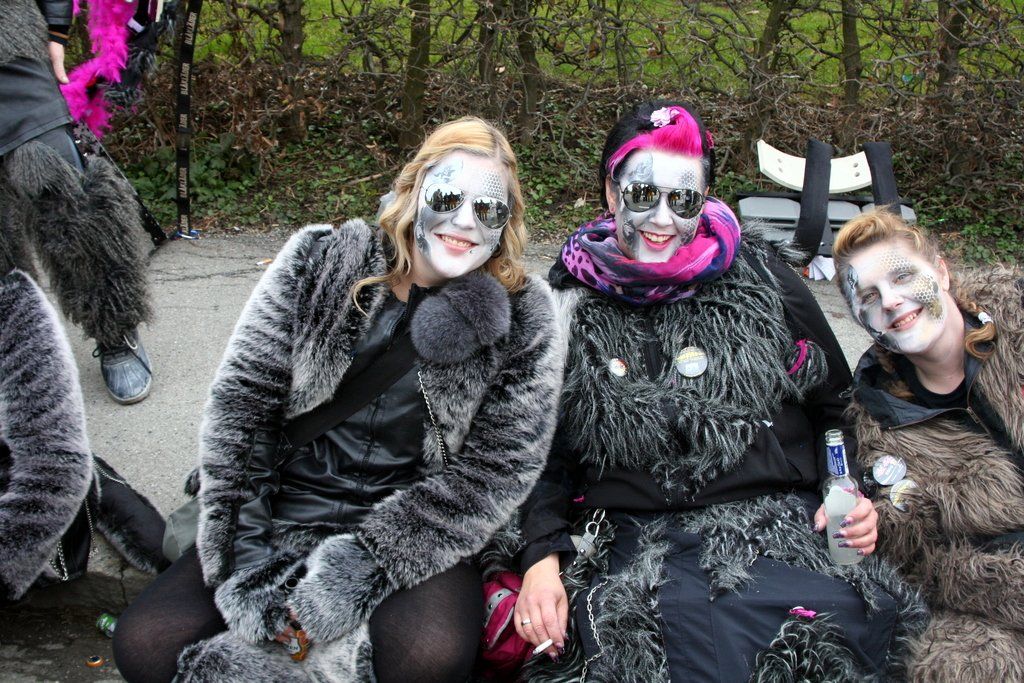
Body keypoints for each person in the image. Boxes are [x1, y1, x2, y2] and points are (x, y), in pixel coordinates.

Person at [112, 117, 563, 683]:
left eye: (489, 210)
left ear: (507, 222)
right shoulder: (319, 260)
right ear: (413, 191)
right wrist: (247, 564)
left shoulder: (523, 313)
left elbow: (496, 472)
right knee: (145, 643)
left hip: (416, 524)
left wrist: (364, 566)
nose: (465, 223)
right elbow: (243, 413)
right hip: (287, 500)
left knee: (429, 657)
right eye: (449, 198)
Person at [512, 102, 926, 681]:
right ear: (610, 191)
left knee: (826, 634)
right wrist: (540, 559)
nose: (662, 219)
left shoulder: (760, 275)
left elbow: (835, 403)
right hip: (633, 535)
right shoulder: (566, 300)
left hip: (775, 526)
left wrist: (845, 487)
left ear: (704, 197)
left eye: (683, 199)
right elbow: (542, 452)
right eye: (642, 194)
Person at [834, 208, 1024, 680]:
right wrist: (871, 524)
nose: (891, 302)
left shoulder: (1017, 322)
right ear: (859, 318)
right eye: (869, 296)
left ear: (940, 271)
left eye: (902, 277)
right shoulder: (878, 422)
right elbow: (920, 554)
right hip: (996, 601)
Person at [1, 0, 154, 404]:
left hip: (7, 42)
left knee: (66, 195)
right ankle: (19, 342)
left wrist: (55, 29)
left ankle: (114, 327)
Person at [0, 232, 166, 604]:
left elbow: (52, 470)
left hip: (34, 491)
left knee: (70, 210)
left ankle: (113, 324)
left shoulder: (12, 307)